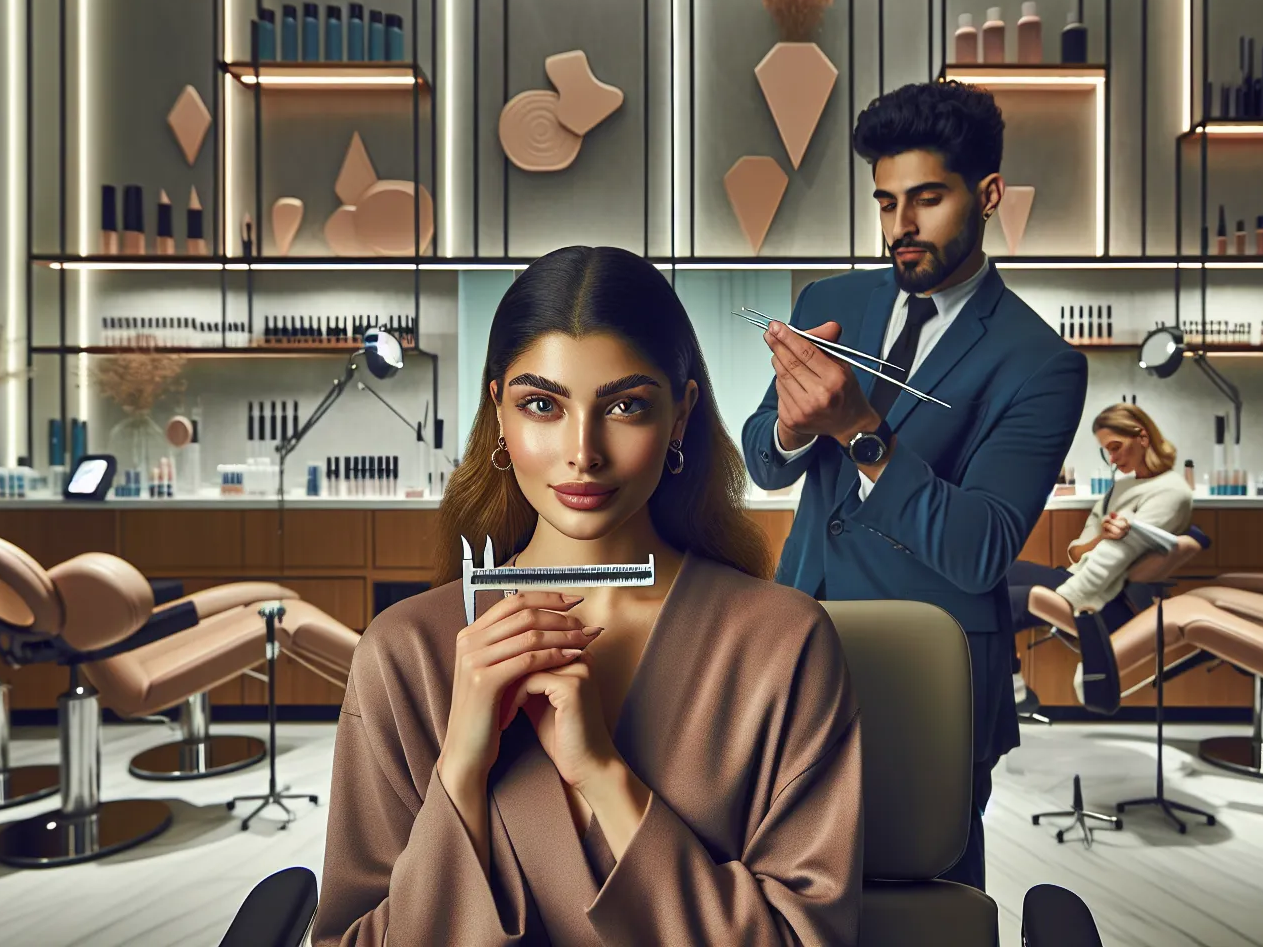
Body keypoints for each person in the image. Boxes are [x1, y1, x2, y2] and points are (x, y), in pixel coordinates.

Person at [315, 247, 863, 946]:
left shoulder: (784, 643)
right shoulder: (403, 653)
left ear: (681, 415)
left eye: (626, 405)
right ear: (500, 416)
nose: (583, 452)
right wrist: (461, 768)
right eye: (542, 404)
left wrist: (602, 775)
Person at [742, 81, 1087, 892]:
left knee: (926, 896)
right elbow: (763, 458)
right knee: (784, 891)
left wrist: (861, 432)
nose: (901, 225)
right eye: (886, 201)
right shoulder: (829, 301)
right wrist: (795, 424)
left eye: (927, 199)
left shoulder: (1041, 363)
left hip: (930, 682)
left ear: (989, 194)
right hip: (798, 646)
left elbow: (980, 550)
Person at [1005, 403, 1194, 715]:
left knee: (1004, 599)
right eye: (1107, 450)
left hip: (1110, 600)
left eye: (1117, 447)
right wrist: (1101, 538)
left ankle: (1006, 692)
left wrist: (1066, 603)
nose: (1113, 459)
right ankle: (1011, 686)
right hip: (1080, 576)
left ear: (1143, 438)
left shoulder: (1171, 493)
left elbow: (1113, 561)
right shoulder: (1122, 487)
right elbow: (1077, 549)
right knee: (994, 574)